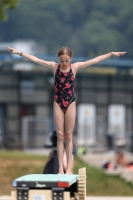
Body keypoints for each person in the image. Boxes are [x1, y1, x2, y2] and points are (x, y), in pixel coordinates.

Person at [6, 46, 126, 174]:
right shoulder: (54, 66)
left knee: (69, 136)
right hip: (58, 102)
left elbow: (94, 61)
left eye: (66, 61)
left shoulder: (74, 68)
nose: (63, 63)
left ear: (70, 59)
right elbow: (36, 60)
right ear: (58, 59)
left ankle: (68, 167)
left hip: (70, 102)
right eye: (61, 60)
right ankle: (60, 169)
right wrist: (20, 53)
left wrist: (110, 54)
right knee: (60, 136)